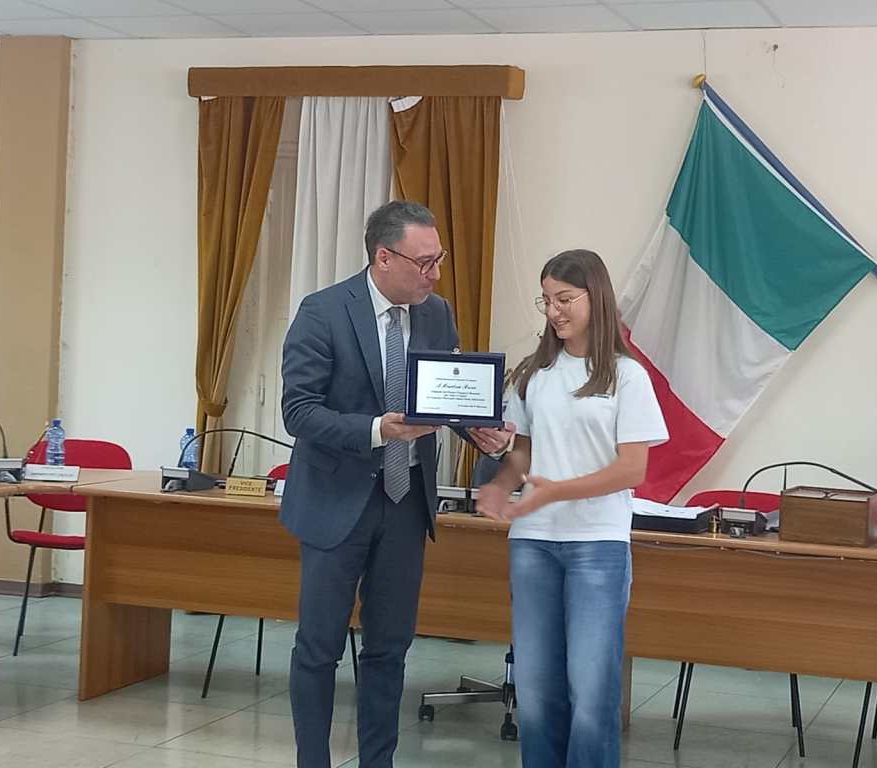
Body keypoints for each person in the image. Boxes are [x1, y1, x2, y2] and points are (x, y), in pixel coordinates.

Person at [280, 200, 514, 768]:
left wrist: (480, 432)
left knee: (389, 648)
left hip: (406, 503)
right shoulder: (323, 312)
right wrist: (376, 429)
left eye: (439, 259)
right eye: (424, 262)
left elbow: (442, 397)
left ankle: (377, 761)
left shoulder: (436, 313)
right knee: (319, 647)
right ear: (383, 258)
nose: (436, 274)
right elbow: (299, 412)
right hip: (336, 503)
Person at [477, 249, 668, 768]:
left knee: (591, 690)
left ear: (595, 298)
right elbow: (523, 456)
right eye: (546, 300)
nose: (554, 311)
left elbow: (632, 469)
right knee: (536, 689)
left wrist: (556, 491)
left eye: (564, 299)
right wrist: (501, 484)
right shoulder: (534, 373)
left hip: (597, 544)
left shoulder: (627, 376)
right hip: (533, 543)